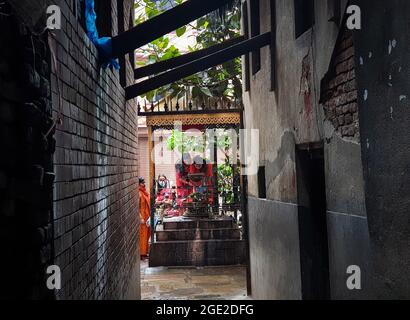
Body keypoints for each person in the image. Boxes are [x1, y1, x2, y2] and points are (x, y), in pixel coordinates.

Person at [139, 177, 151, 259]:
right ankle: (141, 253)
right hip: (142, 218)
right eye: (142, 183)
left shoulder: (144, 192)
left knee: (146, 235)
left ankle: (145, 252)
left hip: (146, 216)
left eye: (144, 182)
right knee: (142, 236)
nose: (144, 184)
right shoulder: (139, 193)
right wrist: (140, 218)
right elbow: (136, 207)